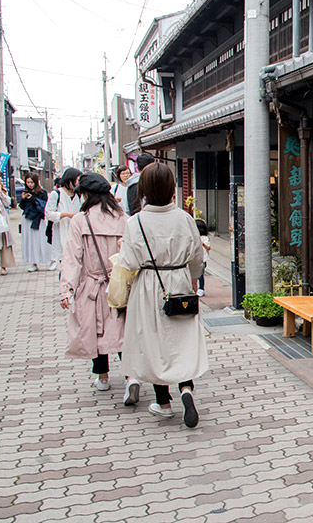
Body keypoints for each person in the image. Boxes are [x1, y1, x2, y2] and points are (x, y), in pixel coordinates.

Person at [119, 162, 206, 427]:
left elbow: (129, 263)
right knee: (181, 342)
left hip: (148, 285)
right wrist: (192, 279)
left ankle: (163, 402)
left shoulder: (136, 222)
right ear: (171, 188)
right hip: (179, 282)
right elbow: (197, 258)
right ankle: (186, 390)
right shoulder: (185, 218)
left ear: (143, 189)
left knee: (154, 343)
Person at [59, 173, 135, 398]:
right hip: (120, 282)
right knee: (122, 329)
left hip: (92, 284)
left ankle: (102, 376)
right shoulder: (124, 219)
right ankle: (130, 376)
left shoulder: (80, 221)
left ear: (86, 195)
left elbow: (72, 258)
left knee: (95, 329)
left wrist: (67, 290)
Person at [45, 168, 82, 271]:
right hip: (61, 231)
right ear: (69, 180)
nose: (78, 183)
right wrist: (65, 214)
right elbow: (48, 214)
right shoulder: (56, 194)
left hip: (76, 232)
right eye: (77, 180)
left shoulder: (79, 195)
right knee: (65, 264)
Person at [19, 173, 52, 272]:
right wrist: (24, 199)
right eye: (28, 182)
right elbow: (22, 207)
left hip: (38, 219)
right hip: (27, 219)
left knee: (42, 240)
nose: (29, 184)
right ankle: (34, 262)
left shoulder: (42, 193)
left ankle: (52, 260)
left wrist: (33, 198)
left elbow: (43, 207)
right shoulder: (25, 192)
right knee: (30, 242)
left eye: (31, 182)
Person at [195, 218, 210, 297]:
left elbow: (208, 248)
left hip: (203, 259)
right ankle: (195, 288)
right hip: (195, 258)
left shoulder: (205, 238)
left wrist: (202, 244)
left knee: (200, 275)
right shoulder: (194, 237)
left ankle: (201, 289)